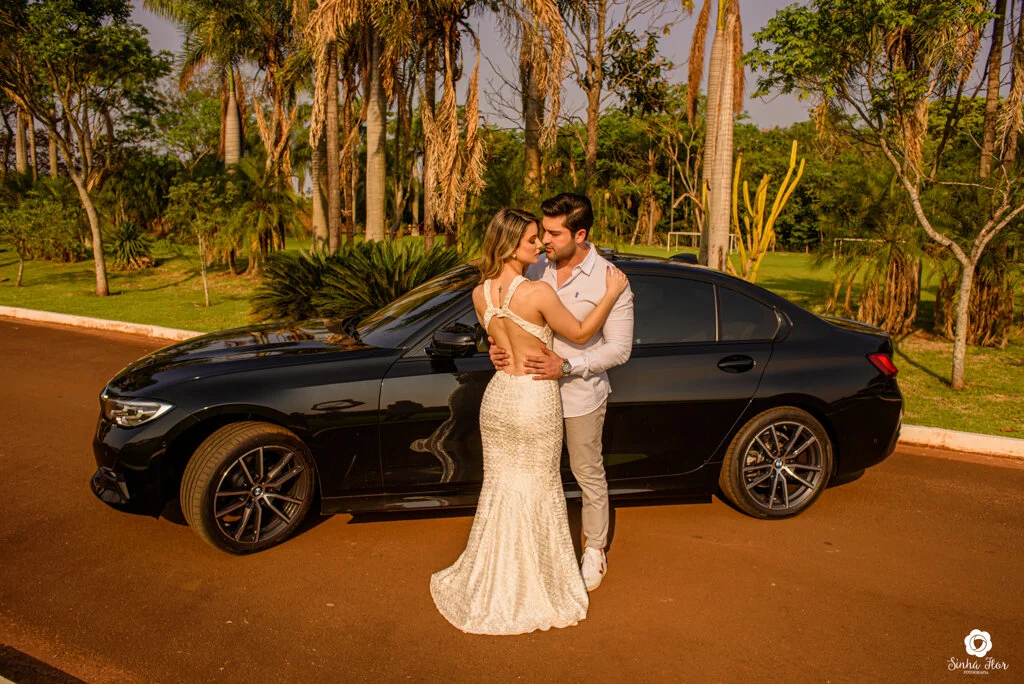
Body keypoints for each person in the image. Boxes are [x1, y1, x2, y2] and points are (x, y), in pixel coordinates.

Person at [430, 208, 629, 635]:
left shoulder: (480, 293)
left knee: (501, 487)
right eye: (531, 240)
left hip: (500, 396)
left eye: (541, 237)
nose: (539, 245)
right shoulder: (538, 291)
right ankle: (534, 580)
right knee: (539, 487)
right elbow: (579, 334)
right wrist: (610, 295)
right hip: (535, 397)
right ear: (508, 245)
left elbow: (498, 340)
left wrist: (496, 348)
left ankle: (496, 575)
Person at [488, 193, 634, 592]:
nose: (544, 241)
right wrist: (497, 345)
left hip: (579, 395)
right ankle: (536, 552)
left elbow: (619, 349)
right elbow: (511, 314)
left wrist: (567, 366)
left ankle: (595, 549)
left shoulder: (611, 281)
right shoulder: (536, 268)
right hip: (532, 396)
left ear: (580, 234)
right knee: (538, 476)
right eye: (542, 232)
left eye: (554, 234)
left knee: (587, 472)